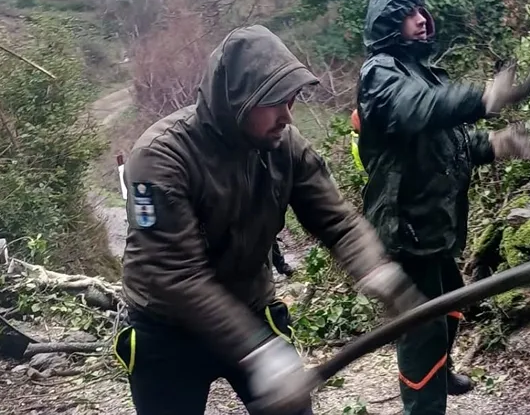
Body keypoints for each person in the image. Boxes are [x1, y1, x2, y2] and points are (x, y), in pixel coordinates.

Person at [116, 25, 427, 415]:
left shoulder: (285, 145)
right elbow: (176, 275)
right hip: (166, 330)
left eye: (291, 99)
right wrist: (259, 351)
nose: (287, 115)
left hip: (250, 306)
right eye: (274, 102)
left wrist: (377, 272)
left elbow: (338, 222)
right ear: (237, 101)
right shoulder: (162, 158)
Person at [355, 0, 530, 415]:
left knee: (452, 304)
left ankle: (441, 372)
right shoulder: (380, 74)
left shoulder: (424, 72)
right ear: (387, 22)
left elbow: (448, 141)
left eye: (422, 10)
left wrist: (495, 145)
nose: (421, 19)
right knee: (423, 328)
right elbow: (418, 111)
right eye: (408, 13)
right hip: (406, 225)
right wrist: (482, 97)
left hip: (435, 222)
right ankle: (423, 404)